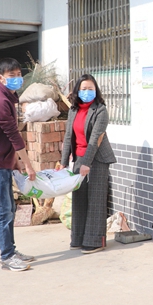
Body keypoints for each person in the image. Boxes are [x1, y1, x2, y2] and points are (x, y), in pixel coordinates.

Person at [0, 57, 37, 272]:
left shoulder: (8, 97)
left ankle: (11, 250)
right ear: (1, 78)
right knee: (3, 211)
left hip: (2, 162)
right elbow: (13, 135)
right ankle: (7, 257)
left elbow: (6, 137)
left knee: (9, 208)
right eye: (12, 76)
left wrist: (15, 162)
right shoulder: (0, 102)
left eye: (19, 74)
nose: (17, 79)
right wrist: (28, 165)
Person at [60, 74, 116, 254]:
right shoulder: (73, 110)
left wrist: (87, 163)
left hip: (98, 159)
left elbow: (96, 139)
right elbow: (68, 137)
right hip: (78, 158)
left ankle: (95, 240)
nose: (87, 92)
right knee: (79, 198)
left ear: (96, 90)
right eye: (83, 89)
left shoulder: (101, 110)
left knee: (96, 199)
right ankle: (78, 238)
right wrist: (63, 162)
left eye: (90, 89)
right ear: (77, 91)